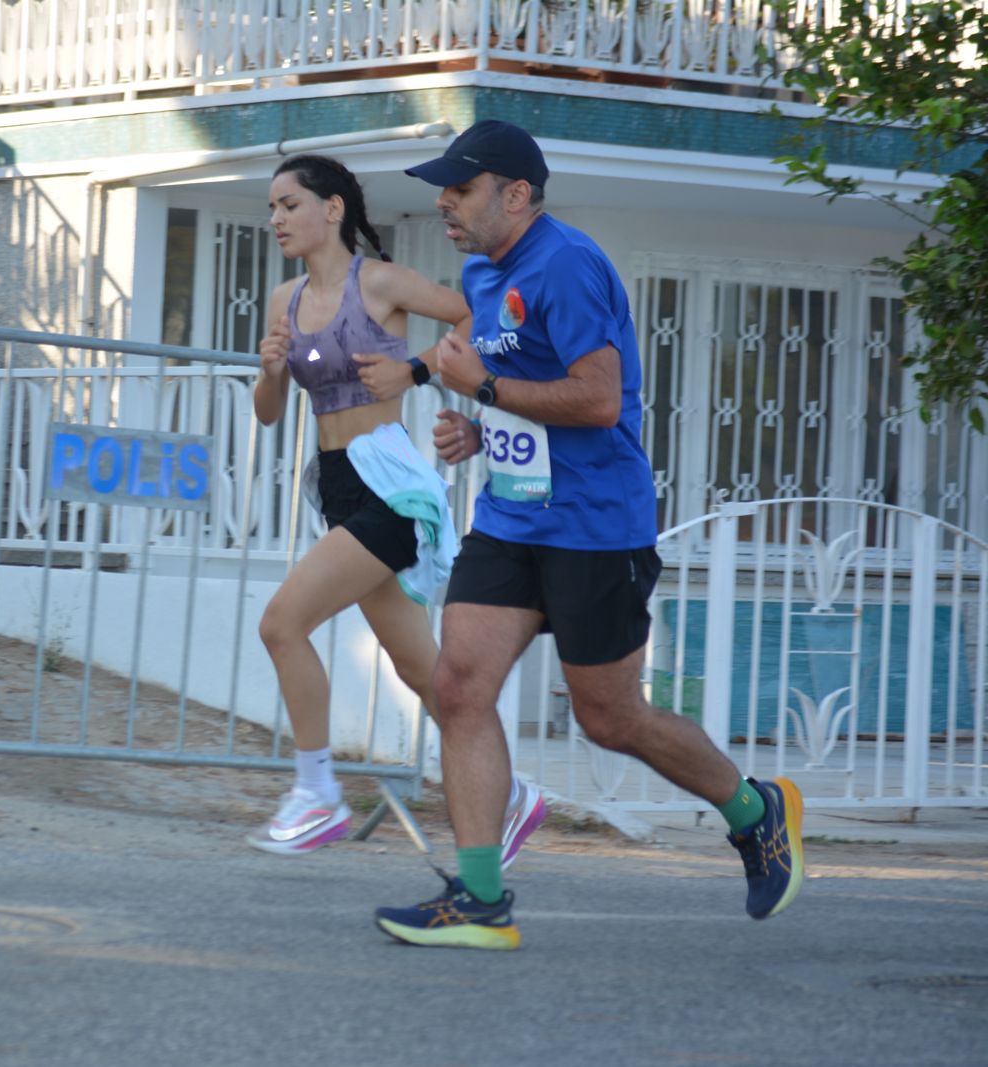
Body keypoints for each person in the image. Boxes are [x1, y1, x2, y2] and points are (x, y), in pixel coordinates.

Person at [373, 121, 805, 948]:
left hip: (595, 527)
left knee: (609, 718)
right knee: (459, 687)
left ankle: (755, 811)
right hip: (511, 518)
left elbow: (599, 399)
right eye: (444, 190)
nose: (445, 202)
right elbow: (509, 381)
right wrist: (477, 430)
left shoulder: (568, 264)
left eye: (461, 189)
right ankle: (480, 899)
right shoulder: (482, 271)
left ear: (517, 195)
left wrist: (485, 390)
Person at [246, 153, 548, 862]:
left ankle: (317, 792)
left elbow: (475, 316)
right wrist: (270, 370)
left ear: (332, 210)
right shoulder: (285, 299)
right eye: (272, 209)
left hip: (389, 488)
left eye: (290, 205)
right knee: (422, 671)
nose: (277, 219)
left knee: (282, 623)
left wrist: (414, 370)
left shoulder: (378, 282)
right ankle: (511, 795)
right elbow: (268, 412)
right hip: (338, 485)